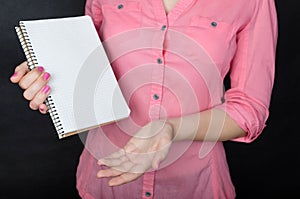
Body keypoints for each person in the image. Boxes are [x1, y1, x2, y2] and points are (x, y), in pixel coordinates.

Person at [10, 0, 278, 198]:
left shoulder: (252, 3)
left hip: (196, 185)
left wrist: (171, 129)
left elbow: (250, 110)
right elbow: (89, 71)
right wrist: (52, 79)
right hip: (104, 181)